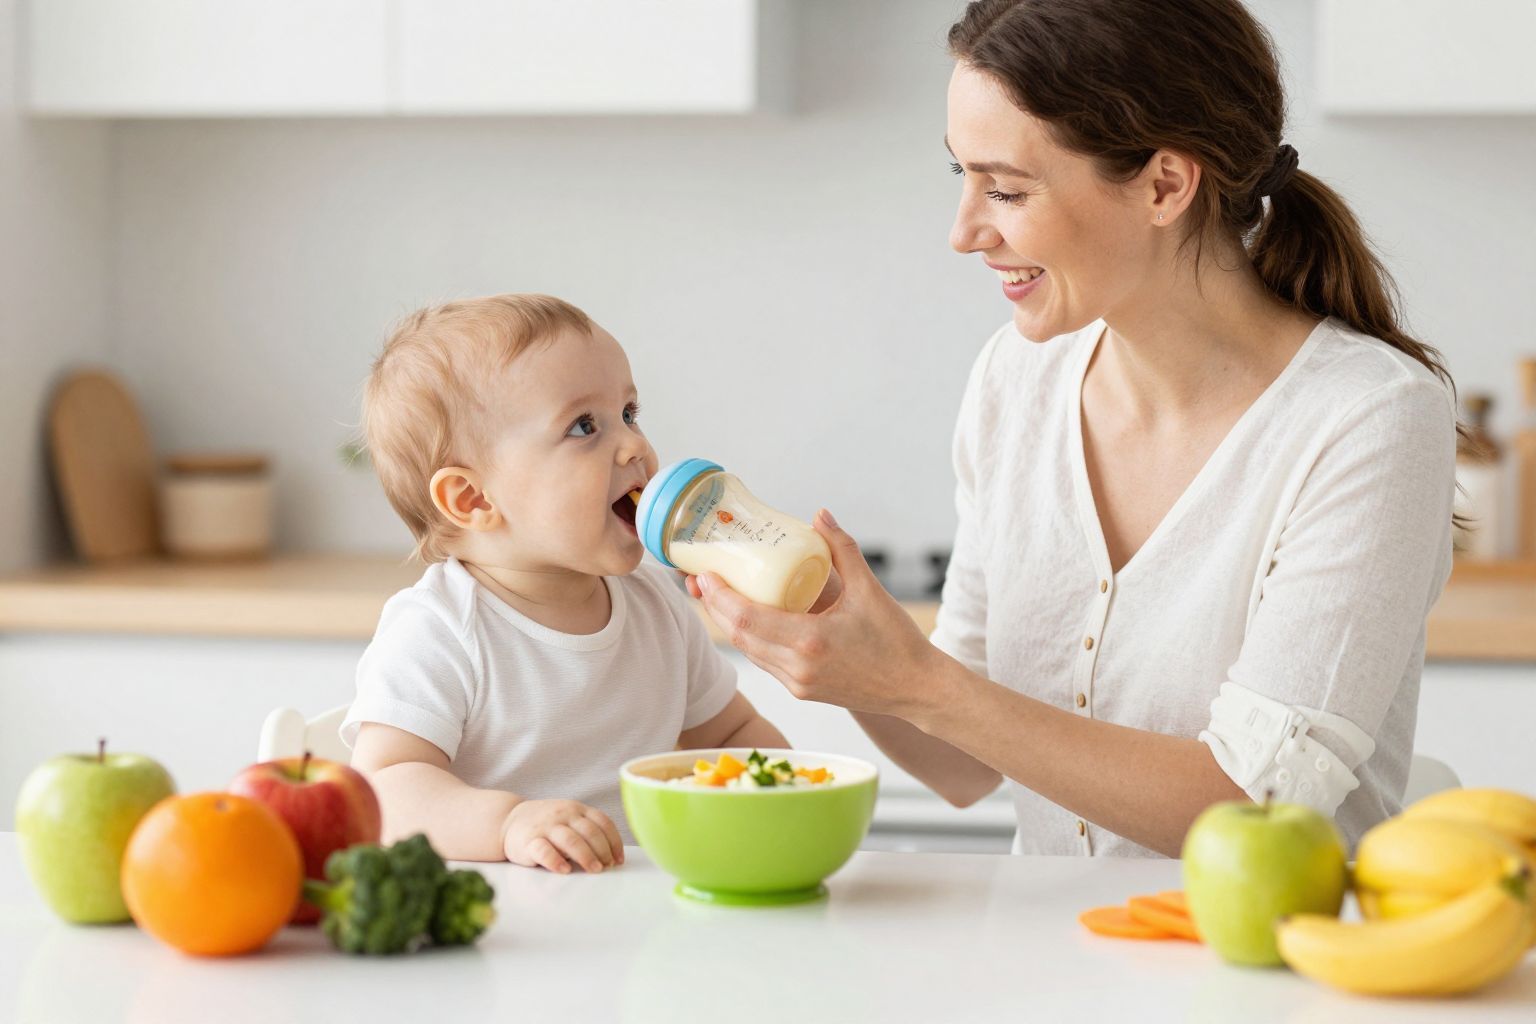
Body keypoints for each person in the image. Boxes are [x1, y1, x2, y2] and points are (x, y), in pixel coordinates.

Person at [689, 0, 1458, 858]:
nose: (965, 233)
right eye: (964, 179)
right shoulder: (1015, 382)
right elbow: (963, 765)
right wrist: (849, 650)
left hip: (1275, 978)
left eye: (1007, 190)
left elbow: (1259, 809)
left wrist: (922, 683)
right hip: (1051, 968)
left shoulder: (1368, 418)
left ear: (1165, 184)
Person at [343, 294, 788, 873]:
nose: (635, 446)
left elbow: (730, 731)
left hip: (645, 909)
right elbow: (386, 790)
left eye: (629, 413)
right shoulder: (440, 629)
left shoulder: (658, 606)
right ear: (474, 499)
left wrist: (790, 791)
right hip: (514, 927)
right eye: (585, 426)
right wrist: (507, 824)